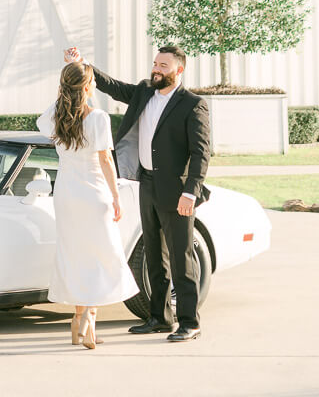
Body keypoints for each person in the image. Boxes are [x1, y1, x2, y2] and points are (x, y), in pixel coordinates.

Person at [64, 43, 210, 343]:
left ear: (179, 70)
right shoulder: (145, 91)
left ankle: (189, 321)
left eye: (163, 66)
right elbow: (113, 87)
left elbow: (201, 153)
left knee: (182, 259)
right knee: (154, 255)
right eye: (155, 63)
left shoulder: (193, 104)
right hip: (147, 184)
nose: (156, 69)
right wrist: (84, 63)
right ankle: (158, 317)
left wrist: (190, 193)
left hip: (178, 191)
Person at [36, 61, 138, 349]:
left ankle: (77, 321)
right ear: (86, 86)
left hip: (66, 193)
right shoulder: (98, 118)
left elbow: (43, 121)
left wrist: (66, 86)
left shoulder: (57, 115)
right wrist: (116, 195)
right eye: (91, 81)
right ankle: (89, 321)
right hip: (93, 192)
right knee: (101, 254)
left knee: (75, 253)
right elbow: (106, 160)